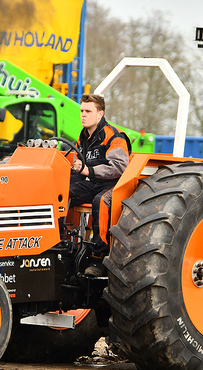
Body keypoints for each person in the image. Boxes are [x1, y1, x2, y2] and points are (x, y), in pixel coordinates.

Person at [69, 94, 130, 276]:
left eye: (88, 111)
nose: (83, 115)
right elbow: (79, 168)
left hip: (115, 185)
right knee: (64, 193)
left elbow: (120, 168)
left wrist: (88, 170)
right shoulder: (83, 137)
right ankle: (62, 243)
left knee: (101, 201)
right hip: (94, 183)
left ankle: (99, 258)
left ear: (100, 114)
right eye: (81, 111)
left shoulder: (114, 136)